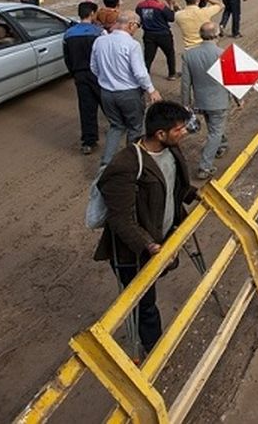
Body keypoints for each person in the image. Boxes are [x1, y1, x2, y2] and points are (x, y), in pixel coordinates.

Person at [93, 100, 196, 357]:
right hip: (134, 253)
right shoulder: (125, 166)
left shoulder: (171, 150)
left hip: (163, 236)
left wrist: (195, 194)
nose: (184, 133)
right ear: (160, 134)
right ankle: (154, 352)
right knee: (145, 304)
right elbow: (120, 219)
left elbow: (175, 185)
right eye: (179, 129)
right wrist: (149, 245)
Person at [91, 13, 161, 167]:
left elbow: (94, 68)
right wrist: (151, 90)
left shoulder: (99, 41)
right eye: (137, 26)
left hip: (107, 93)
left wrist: (107, 80)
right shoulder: (132, 45)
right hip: (129, 93)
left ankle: (106, 163)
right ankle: (131, 164)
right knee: (135, 128)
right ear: (131, 25)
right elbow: (140, 73)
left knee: (116, 126)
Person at [181, 22, 231, 180]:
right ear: (217, 34)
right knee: (215, 132)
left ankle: (221, 146)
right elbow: (231, 80)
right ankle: (205, 166)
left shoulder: (189, 55)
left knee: (213, 126)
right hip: (219, 101)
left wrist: (186, 103)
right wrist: (239, 99)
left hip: (201, 101)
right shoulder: (223, 53)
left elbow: (185, 83)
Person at [64, 1, 103, 155]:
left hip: (79, 74)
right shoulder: (98, 32)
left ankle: (89, 141)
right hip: (98, 75)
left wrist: (73, 73)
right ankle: (119, 127)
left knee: (86, 107)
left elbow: (67, 58)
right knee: (107, 103)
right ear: (92, 14)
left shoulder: (69, 34)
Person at [136, 0, 178, 80]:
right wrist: (171, 5)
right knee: (169, 53)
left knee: (148, 57)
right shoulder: (161, 6)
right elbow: (171, 18)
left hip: (148, 34)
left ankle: (144, 75)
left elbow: (139, 19)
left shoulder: (140, 6)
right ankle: (172, 74)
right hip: (163, 34)